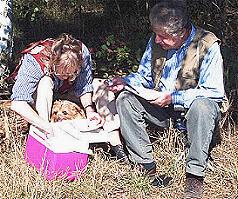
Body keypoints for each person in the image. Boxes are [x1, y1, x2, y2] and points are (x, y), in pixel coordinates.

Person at [107, 1, 225, 198]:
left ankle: (195, 175)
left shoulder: (208, 45)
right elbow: (144, 76)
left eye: (164, 37)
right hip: (163, 111)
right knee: (126, 99)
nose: (157, 40)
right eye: (156, 34)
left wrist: (173, 98)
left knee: (203, 106)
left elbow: (214, 92)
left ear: (182, 33)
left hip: (191, 114)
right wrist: (125, 81)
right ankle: (145, 166)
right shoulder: (157, 39)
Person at [10, 33, 128, 162]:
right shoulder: (35, 59)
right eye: (62, 73)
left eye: (72, 74)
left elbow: (84, 86)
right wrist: (43, 125)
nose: (67, 77)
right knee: (45, 82)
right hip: (42, 96)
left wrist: (89, 110)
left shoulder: (82, 53)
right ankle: (46, 134)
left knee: (102, 86)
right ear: (53, 62)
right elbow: (18, 103)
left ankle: (115, 142)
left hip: (67, 92)